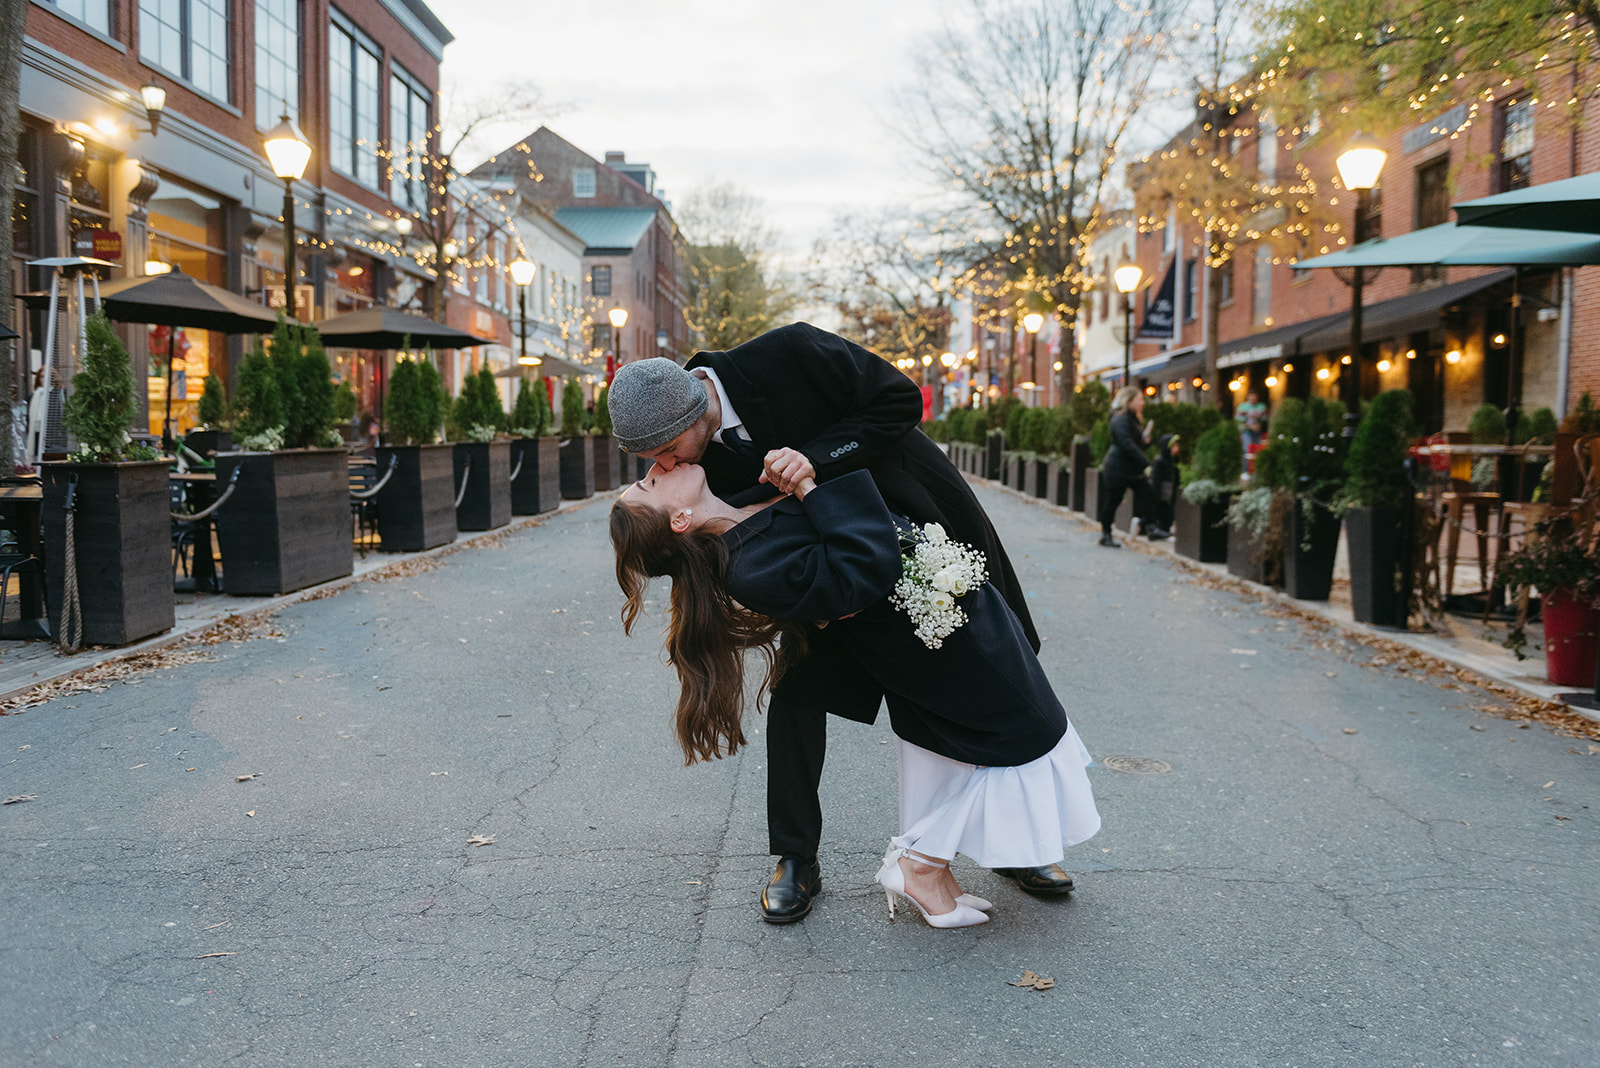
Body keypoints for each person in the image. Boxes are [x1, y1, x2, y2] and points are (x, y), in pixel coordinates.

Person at [607, 325, 1075, 924]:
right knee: (797, 699)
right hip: (831, 576)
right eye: (649, 463)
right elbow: (711, 543)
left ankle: (1011, 847)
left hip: (918, 523)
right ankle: (795, 857)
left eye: (663, 450)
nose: (661, 464)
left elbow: (900, 401)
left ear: (694, 407)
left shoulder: (791, 353)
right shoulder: (692, 472)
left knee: (992, 672)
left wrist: (817, 459)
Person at [1098, 386, 1166, 547]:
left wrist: (1145, 442)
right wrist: (1145, 463)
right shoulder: (1119, 419)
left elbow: (1134, 444)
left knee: (1149, 495)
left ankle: (1151, 528)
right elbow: (1126, 444)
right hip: (1117, 468)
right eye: (1139, 399)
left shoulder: (1133, 419)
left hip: (1132, 468)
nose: (1142, 402)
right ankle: (1105, 535)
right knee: (1113, 501)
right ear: (1129, 401)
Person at [1149, 432, 1180, 536]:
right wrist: (1156, 496)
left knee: (1169, 516)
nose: (1177, 447)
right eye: (1174, 445)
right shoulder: (1159, 461)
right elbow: (1156, 480)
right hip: (1161, 494)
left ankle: (1164, 531)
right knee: (1159, 514)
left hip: (1169, 495)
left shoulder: (1173, 461)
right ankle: (1143, 525)